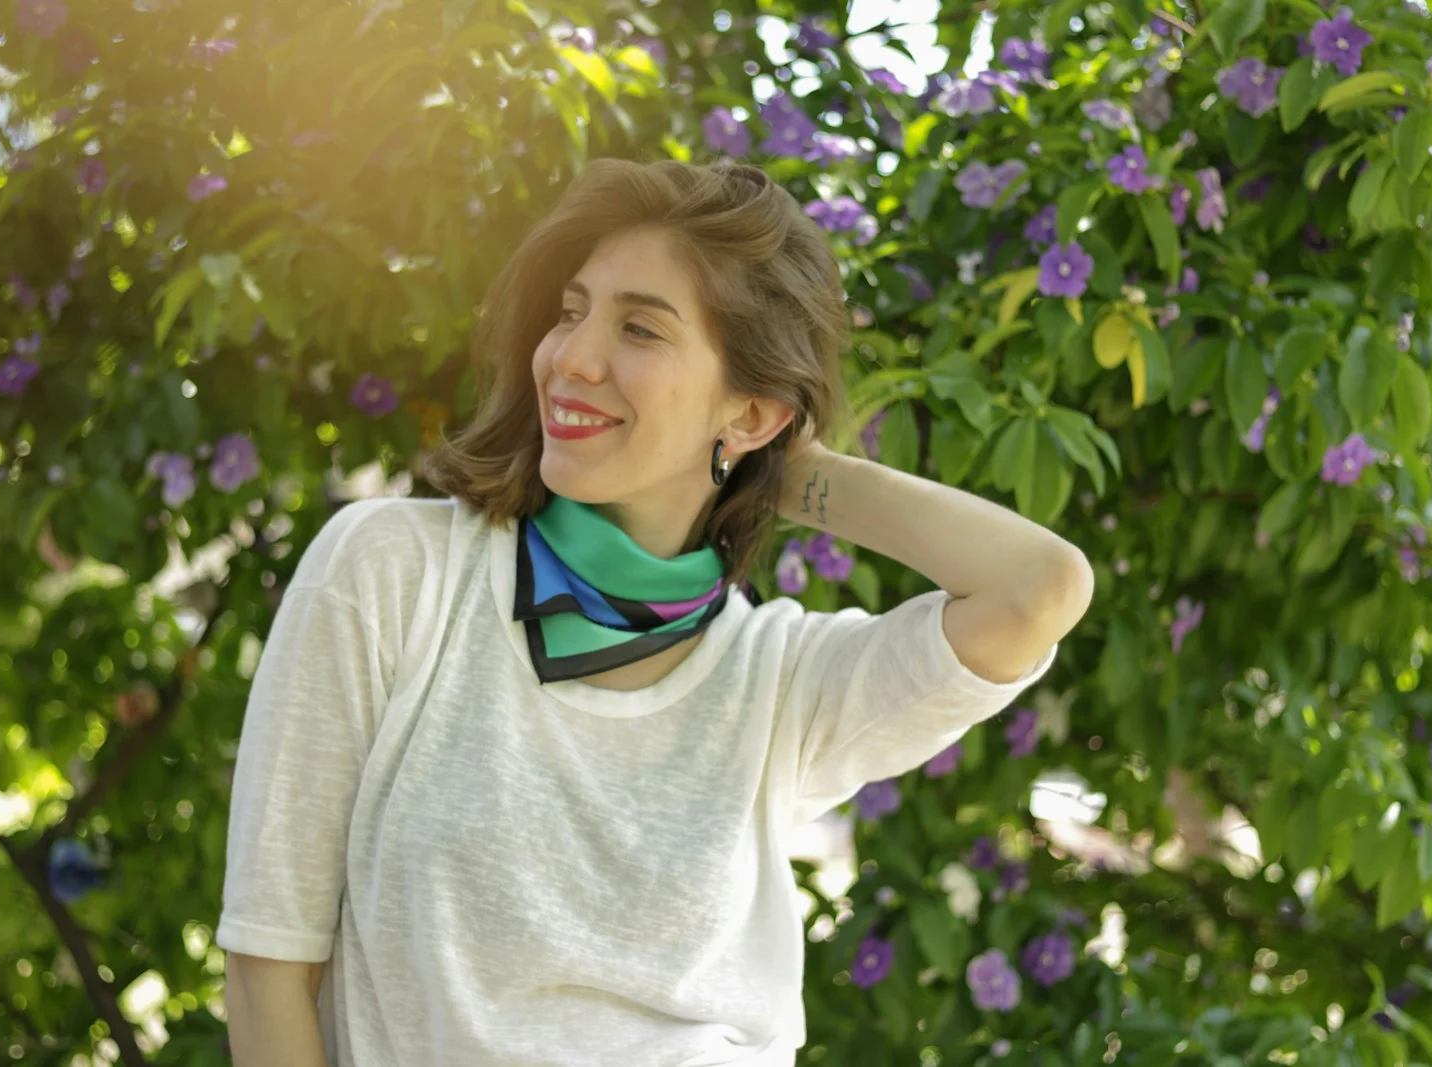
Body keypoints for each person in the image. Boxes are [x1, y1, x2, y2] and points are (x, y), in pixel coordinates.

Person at [214, 157, 1093, 1067]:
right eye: (570, 311)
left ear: (750, 412)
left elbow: (1039, 588)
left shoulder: (780, 683)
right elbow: (268, 967)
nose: (571, 357)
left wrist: (798, 474)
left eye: (638, 328)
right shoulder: (393, 574)